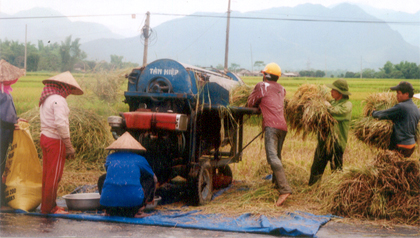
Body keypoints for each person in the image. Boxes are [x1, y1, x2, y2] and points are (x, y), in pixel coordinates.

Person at [247, 62, 292, 206]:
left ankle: (284, 190)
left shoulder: (262, 86)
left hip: (271, 126)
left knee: (272, 157)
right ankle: (276, 186)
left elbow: (251, 103)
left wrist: (258, 105)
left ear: (265, 75)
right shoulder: (282, 89)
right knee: (277, 156)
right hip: (282, 127)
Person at [39, 71, 83, 214]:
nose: (69, 92)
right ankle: (49, 208)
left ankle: (49, 204)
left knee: (47, 174)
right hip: (55, 140)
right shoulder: (59, 100)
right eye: (68, 89)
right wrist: (69, 146)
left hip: (45, 137)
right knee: (54, 176)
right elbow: (61, 124)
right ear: (63, 86)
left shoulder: (47, 98)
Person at [98, 132, 157, 218]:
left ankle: (108, 211)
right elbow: (153, 178)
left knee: (103, 178)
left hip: (109, 206)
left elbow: (110, 172)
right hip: (133, 206)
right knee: (149, 178)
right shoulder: (140, 159)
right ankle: (139, 209)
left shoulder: (110, 157)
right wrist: (151, 198)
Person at [309, 79, 352, 186]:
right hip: (324, 140)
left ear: (340, 92)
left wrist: (325, 105)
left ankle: (336, 190)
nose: (331, 91)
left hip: (336, 143)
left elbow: (335, 112)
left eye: (334, 90)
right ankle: (312, 188)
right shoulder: (332, 102)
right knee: (316, 167)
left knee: (336, 170)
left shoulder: (346, 105)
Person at [0, 60, 26, 207]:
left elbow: (6, 114)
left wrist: (15, 119)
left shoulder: (5, 91)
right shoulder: (1, 93)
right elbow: (2, 117)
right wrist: (12, 124)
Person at [372, 81, 420, 158]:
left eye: (399, 93)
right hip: (411, 145)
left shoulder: (401, 107)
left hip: (401, 146)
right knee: (401, 166)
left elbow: (383, 114)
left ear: (406, 94)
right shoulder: (415, 107)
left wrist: (374, 112)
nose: (396, 95)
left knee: (390, 167)